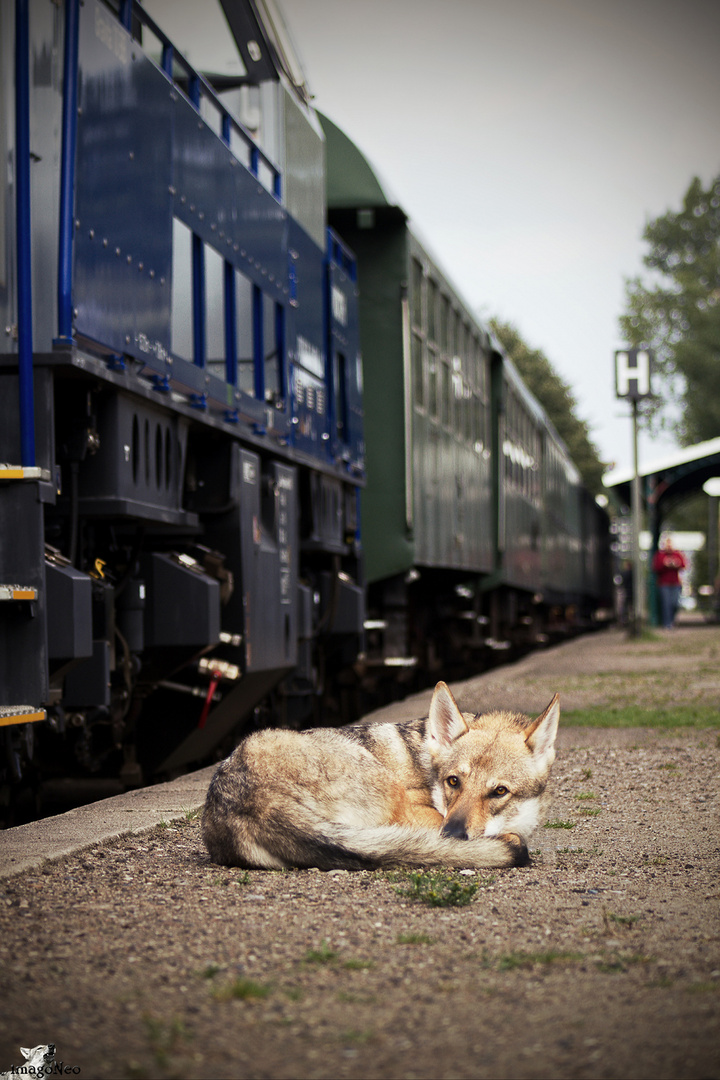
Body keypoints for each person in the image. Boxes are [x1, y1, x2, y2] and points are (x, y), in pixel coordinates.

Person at [652, 537, 687, 629]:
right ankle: (667, 623)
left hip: (676, 583)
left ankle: (672, 620)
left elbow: (684, 565)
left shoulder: (677, 554)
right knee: (666, 604)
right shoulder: (660, 555)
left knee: (675, 603)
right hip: (664, 584)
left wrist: (676, 564)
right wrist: (665, 564)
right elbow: (655, 568)